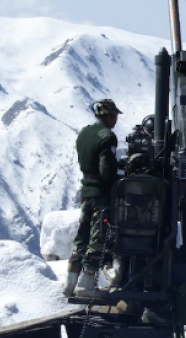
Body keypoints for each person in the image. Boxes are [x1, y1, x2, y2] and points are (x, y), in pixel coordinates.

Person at [63, 99, 123, 298]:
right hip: (101, 195)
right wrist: (119, 177)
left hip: (86, 192)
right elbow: (106, 170)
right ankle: (86, 284)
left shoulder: (84, 133)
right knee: (98, 237)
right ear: (108, 115)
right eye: (114, 115)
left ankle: (69, 282)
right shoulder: (107, 136)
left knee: (82, 236)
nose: (116, 119)